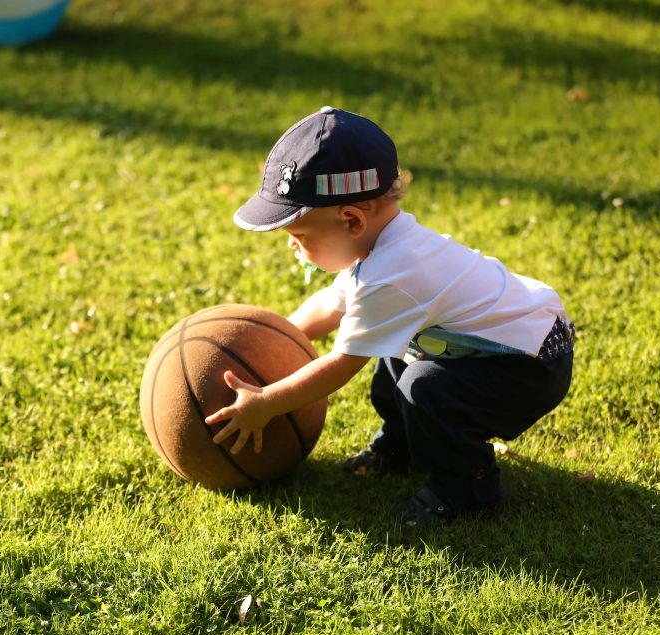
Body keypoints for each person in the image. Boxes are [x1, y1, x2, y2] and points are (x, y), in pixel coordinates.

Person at [204, 106, 575, 526]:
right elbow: (331, 304)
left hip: (530, 363)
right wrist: (275, 338)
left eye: (299, 236)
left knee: (426, 387)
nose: (293, 247)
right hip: (507, 341)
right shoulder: (377, 246)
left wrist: (267, 403)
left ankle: (468, 490)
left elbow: (340, 365)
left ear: (351, 220)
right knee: (395, 360)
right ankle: (400, 449)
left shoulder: (394, 274)